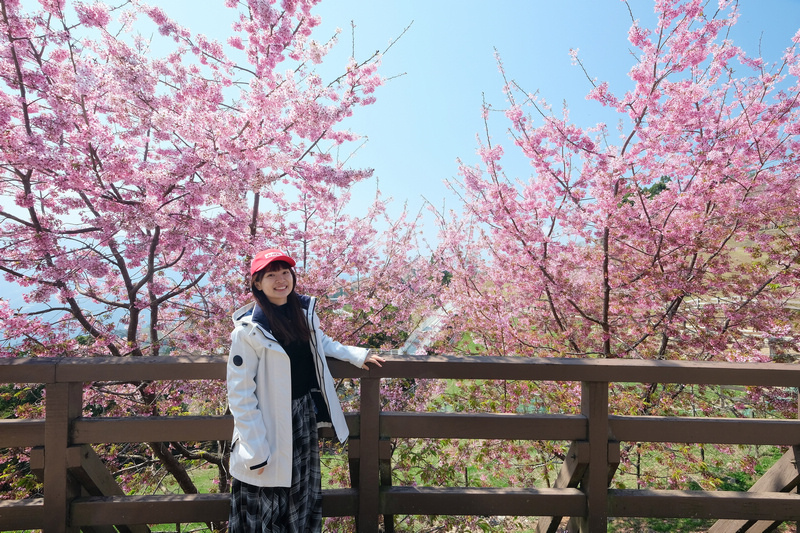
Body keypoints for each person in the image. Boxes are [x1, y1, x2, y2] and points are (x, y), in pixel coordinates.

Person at [226, 248, 384, 533]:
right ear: (257, 284)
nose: (280, 280)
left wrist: (356, 356)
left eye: (285, 272)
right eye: (270, 275)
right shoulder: (247, 332)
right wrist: (256, 448)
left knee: (300, 494)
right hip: (267, 422)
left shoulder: (302, 315)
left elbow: (321, 342)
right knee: (266, 497)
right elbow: (240, 395)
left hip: (300, 416)